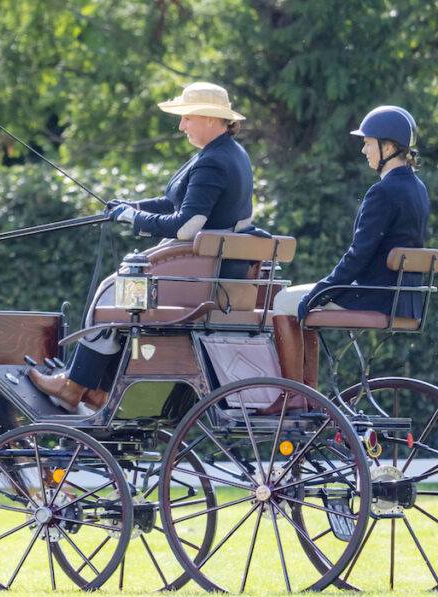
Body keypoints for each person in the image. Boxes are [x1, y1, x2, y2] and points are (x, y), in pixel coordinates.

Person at [30, 81, 254, 411]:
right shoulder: (230, 154)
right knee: (117, 291)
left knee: (111, 292)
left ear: (209, 117)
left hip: (196, 275)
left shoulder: (212, 161)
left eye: (187, 118)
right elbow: (176, 203)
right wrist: (131, 207)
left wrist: (134, 218)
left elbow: (186, 226)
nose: (181, 126)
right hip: (210, 270)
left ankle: (74, 385)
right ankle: (96, 390)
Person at [267, 105, 428, 409]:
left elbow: (357, 256)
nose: (364, 150)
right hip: (403, 298)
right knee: (302, 301)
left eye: (368, 143)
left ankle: (296, 395)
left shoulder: (383, 192)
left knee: (283, 301)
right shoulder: (417, 189)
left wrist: (321, 291)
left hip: (373, 295)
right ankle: (306, 395)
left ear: (388, 147)